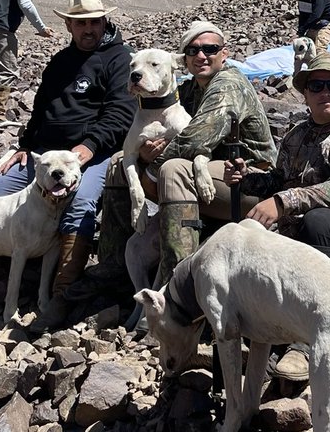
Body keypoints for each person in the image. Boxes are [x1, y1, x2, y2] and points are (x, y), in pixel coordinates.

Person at [68, 19, 276, 302]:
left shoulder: (228, 84)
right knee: (119, 161)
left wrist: (148, 173)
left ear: (224, 54)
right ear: (184, 60)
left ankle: (175, 283)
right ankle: (114, 265)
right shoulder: (189, 89)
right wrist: (141, 155)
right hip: (213, 172)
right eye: (193, 50)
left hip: (250, 180)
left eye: (210, 49)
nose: (201, 55)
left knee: (173, 169)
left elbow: (195, 140)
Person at [0, 0, 136, 326]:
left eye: (95, 22)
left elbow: (121, 112)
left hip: (92, 153)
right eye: (81, 23)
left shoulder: (119, 59)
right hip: (44, 155)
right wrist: (25, 145)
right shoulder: (60, 61)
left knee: (80, 202)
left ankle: (62, 293)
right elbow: (41, 109)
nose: (89, 29)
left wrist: (88, 147)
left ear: (105, 21)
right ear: (69, 25)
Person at [225, 52, 330, 380]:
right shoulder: (297, 135)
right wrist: (246, 178)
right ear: (306, 94)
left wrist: (281, 203)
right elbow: (278, 180)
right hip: (301, 242)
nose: (325, 92)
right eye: (316, 86)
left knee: (319, 220)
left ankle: (309, 343)